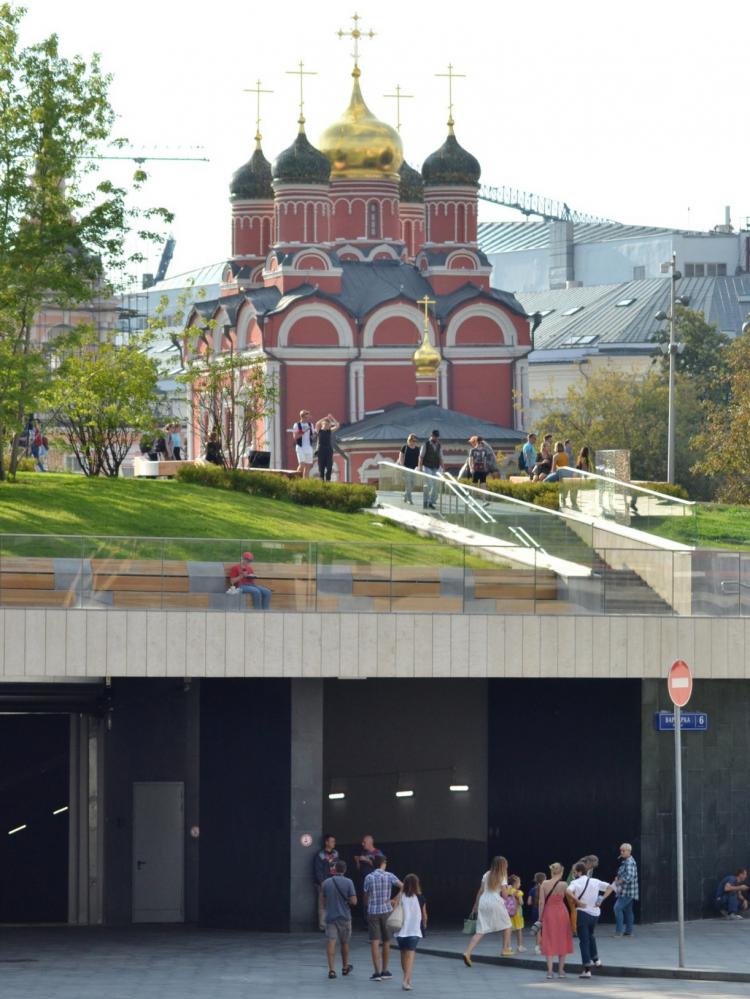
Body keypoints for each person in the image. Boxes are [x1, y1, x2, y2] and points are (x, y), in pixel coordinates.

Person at [462, 855, 512, 966]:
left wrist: (475, 906)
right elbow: (505, 895)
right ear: (503, 866)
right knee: (508, 925)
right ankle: (505, 949)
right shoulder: (502, 876)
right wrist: (508, 889)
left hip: (483, 901)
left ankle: (467, 952)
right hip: (495, 901)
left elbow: (480, 891)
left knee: (480, 930)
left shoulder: (486, 874)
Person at [568, 860, 614, 978]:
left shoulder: (575, 882)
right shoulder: (595, 881)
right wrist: (601, 899)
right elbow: (610, 887)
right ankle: (596, 959)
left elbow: (568, 891)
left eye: (574, 872)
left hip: (582, 914)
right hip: (595, 914)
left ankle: (587, 970)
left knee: (584, 941)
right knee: (590, 935)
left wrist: (577, 901)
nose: (573, 874)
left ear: (579, 872)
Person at [363, 855, 403, 982]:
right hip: (386, 911)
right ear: (383, 863)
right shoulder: (389, 875)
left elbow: (365, 896)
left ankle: (376, 973)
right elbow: (403, 886)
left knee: (375, 941)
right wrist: (395, 899)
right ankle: (385, 970)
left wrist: (368, 904)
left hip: (373, 911)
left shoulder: (368, 877)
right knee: (386, 941)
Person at [538, 862, 575, 979]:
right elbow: (572, 897)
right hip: (562, 913)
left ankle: (549, 971)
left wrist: (540, 918)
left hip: (549, 913)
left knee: (549, 939)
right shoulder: (564, 884)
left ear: (551, 871)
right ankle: (561, 970)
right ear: (561, 872)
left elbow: (541, 902)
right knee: (562, 939)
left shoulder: (544, 883)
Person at [321, 859, 357, 979]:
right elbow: (354, 901)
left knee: (331, 942)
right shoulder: (349, 882)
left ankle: (331, 970)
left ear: (335, 869)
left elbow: (323, 902)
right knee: (344, 943)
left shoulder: (326, 883)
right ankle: (345, 967)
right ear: (345, 870)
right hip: (345, 917)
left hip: (331, 917)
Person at [394, 873, 427, 992]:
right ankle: (405, 981)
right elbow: (424, 915)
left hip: (400, 930)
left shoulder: (400, 896)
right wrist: (424, 925)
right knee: (410, 955)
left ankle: (406, 978)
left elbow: (394, 909)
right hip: (414, 930)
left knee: (403, 954)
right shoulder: (420, 897)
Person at [314, 834, 339, 931]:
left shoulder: (335, 853)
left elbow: (336, 868)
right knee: (322, 905)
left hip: (334, 882)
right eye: (332, 841)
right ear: (326, 842)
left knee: (334, 904)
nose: (334, 843)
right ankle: (323, 926)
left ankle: (333, 924)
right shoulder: (320, 855)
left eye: (334, 841)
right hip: (323, 883)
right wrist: (322, 882)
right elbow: (318, 870)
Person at [613, 842, 639, 937]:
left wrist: (618, 882)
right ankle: (628, 931)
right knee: (628, 911)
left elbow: (629, 876)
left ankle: (619, 931)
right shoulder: (627, 861)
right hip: (628, 891)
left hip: (627, 891)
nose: (621, 852)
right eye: (621, 850)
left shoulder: (629, 862)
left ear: (629, 851)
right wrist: (618, 878)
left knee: (617, 908)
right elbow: (624, 874)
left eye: (623, 851)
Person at [417, 429, 443, 510]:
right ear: (431, 436)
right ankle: (425, 501)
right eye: (435, 436)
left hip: (436, 467)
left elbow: (440, 457)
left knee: (436, 485)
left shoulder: (439, 445)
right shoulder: (426, 444)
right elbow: (421, 457)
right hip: (427, 466)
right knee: (429, 484)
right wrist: (420, 467)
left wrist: (442, 467)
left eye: (437, 437)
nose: (436, 438)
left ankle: (431, 502)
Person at [315, 414, 339, 482]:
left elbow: (337, 425)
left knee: (329, 466)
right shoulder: (319, 431)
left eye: (328, 425)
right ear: (322, 425)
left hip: (328, 449)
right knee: (321, 466)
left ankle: (328, 479)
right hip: (321, 449)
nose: (327, 426)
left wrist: (332, 418)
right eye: (325, 425)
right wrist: (324, 418)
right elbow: (317, 423)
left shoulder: (329, 431)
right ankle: (322, 480)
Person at [398, 434, 420, 504]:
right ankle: (409, 499)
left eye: (414, 440)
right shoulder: (405, 447)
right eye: (411, 440)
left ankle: (405, 496)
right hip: (406, 468)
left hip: (414, 469)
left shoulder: (417, 449)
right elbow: (401, 457)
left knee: (413, 484)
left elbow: (419, 459)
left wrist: (419, 467)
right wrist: (402, 467)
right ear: (409, 440)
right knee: (408, 484)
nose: (413, 442)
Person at [293, 409, 315, 477]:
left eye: (308, 416)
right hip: (300, 447)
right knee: (302, 464)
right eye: (306, 416)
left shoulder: (310, 425)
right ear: (302, 416)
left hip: (309, 447)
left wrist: (315, 435)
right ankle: (295, 478)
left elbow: (312, 436)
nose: (308, 418)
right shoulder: (297, 425)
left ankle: (305, 481)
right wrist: (304, 431)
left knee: (308, 466)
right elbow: (295, 437)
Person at [528, 871, 545, 953]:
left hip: (535, 911)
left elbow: (529, 902)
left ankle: (537, 947)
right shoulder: (545, 889)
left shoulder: (532, 890)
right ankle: (543, 946)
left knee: (538, 930)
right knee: (544, 930)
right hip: (544, 911)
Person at [507, 874, 525, 952]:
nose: (520, 884)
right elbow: (521, 902)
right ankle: (520, 946)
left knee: (509, 930)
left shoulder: (508, 890)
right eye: (519, 882)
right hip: (517, 913)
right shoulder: (518, 892)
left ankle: (508, 946)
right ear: (515, 883)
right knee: (519, 929)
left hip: (509, 913)